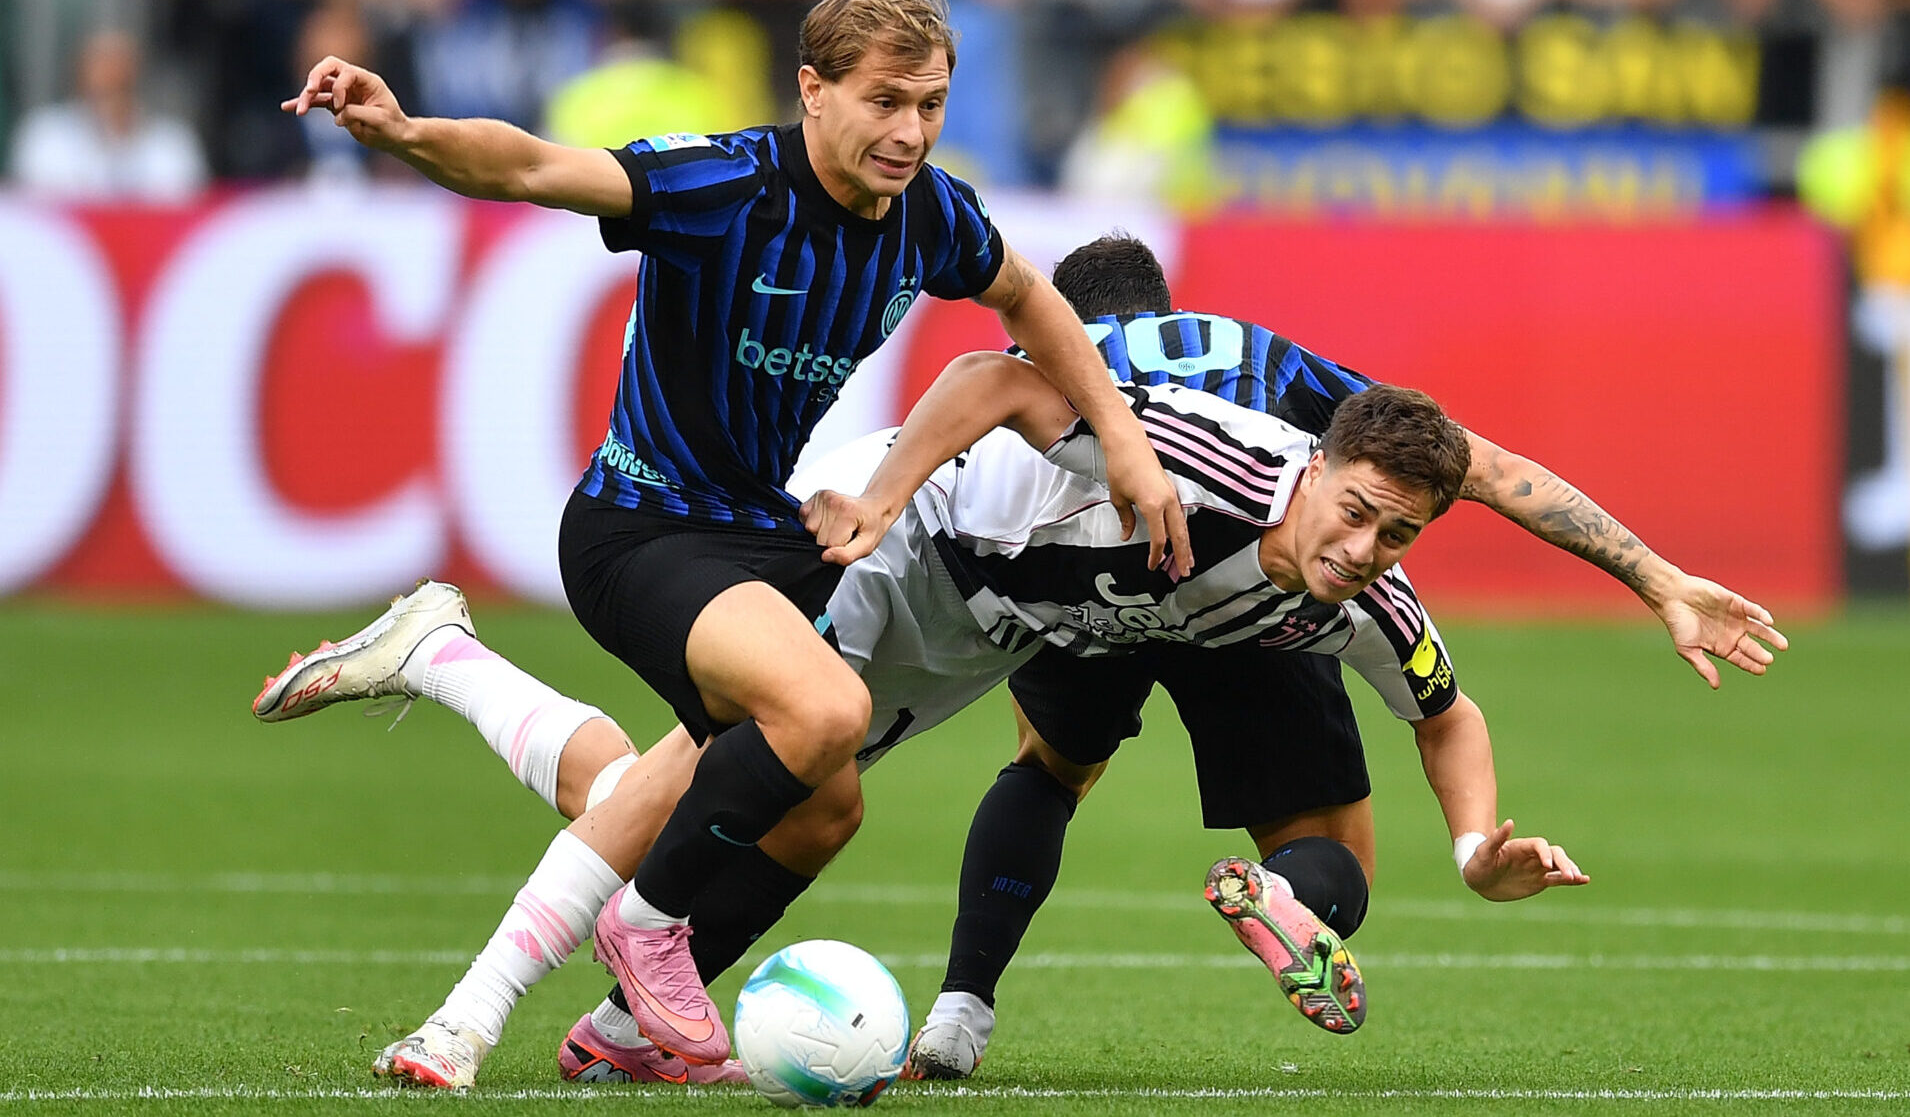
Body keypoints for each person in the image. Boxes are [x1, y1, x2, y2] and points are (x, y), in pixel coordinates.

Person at [255, 326, 1781, 1088]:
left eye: (1400, 535)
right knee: (745, 751)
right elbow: (991, 372)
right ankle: (470, 1018)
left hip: (975, 624)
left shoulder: (1357, 586)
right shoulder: (1201, 452)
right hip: (887, 528)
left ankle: (441, 657)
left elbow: (1443, 706)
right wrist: (878, 496)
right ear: (1313, 465)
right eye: (1361, 513)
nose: (1369, 552)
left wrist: (1470, 848)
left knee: (812, 794)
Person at [270, 0, 1190, 1084]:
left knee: (809, 807)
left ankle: (603, 1013)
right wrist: (404, 130)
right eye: (884, 100)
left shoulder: (933, 213)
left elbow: (1028, 302)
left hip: (758, 531)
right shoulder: (721, 182)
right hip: (639, 527)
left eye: (932, 104)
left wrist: (1123, 442)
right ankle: (624, 938)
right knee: (823, 712)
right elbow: (526, 167)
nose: (909, 131)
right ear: (812, 89)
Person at [902, 233, 1792, 1076]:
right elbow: (1492, 471)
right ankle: (1285, 893)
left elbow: (989, 411)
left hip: (1096, 570)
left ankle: (960, 1010)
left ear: (1068, 307)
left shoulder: (1064, 350)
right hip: (1274, 581)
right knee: (1335, 852)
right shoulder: (1264, 365)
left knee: (1051, 770)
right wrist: (1656, 578)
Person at [9, 29, 208, 201]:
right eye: (100, 66)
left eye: (120, 68)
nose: (110, 76)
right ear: (79, 74)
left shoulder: (172, 140)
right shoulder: (45, 134)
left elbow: (187, 207)